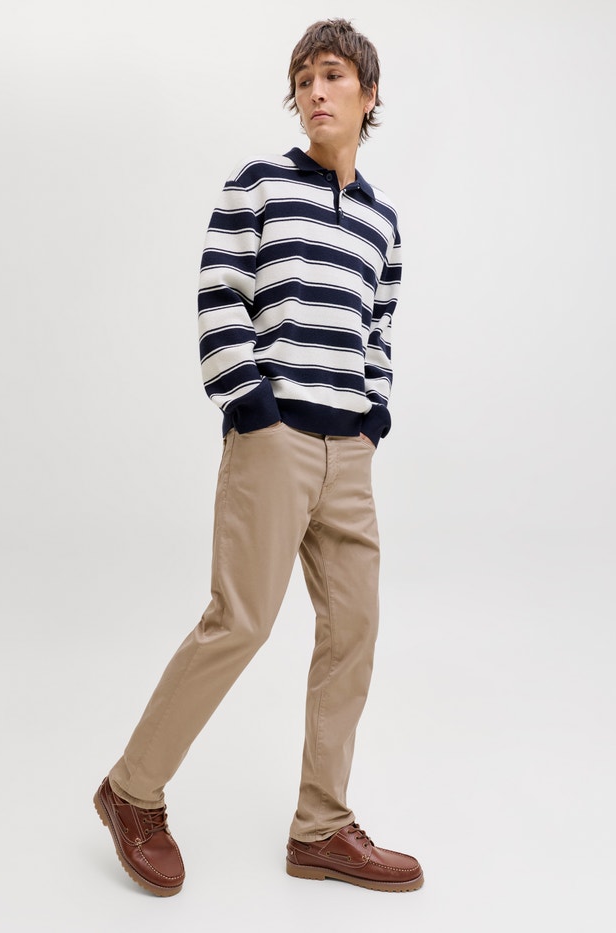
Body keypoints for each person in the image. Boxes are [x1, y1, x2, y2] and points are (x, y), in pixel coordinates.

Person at [94, 17, 423, 896]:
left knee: (354, 630)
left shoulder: (384, 222)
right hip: (273, 440)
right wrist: (252, 406)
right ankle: (132, 790)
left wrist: (374, 416)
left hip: (350, 451)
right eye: (304, 79)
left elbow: (379, 328)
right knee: (240, 620)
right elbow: (219, 295)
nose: (315, 92)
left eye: (333, 76)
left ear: (369, 94)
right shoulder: (258, 185)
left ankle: (321, 827)